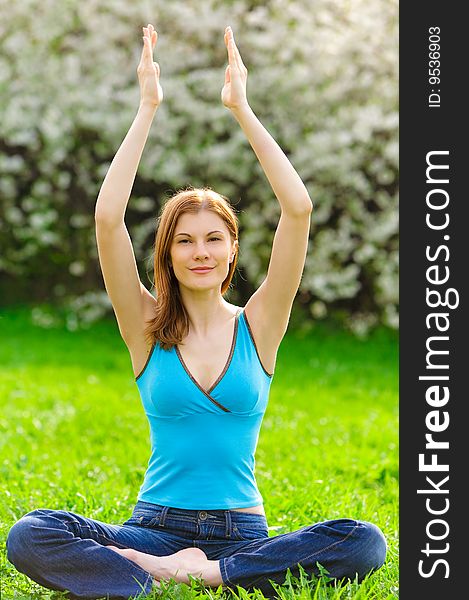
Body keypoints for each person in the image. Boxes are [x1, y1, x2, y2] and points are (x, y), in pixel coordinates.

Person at [6, 23, 387, 599]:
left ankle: (194, 576)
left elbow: (299, 208)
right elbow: (108, 220)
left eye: (213, 238)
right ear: (168, 252)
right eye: (184, 240)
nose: (200, 252)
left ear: (233, 248)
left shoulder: (260, 324)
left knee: (365, 541)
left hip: (244, 534)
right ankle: (164, 570)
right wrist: (146, 108)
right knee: (31, 533)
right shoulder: (146, 328)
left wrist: (242, 109)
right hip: (153, 528)